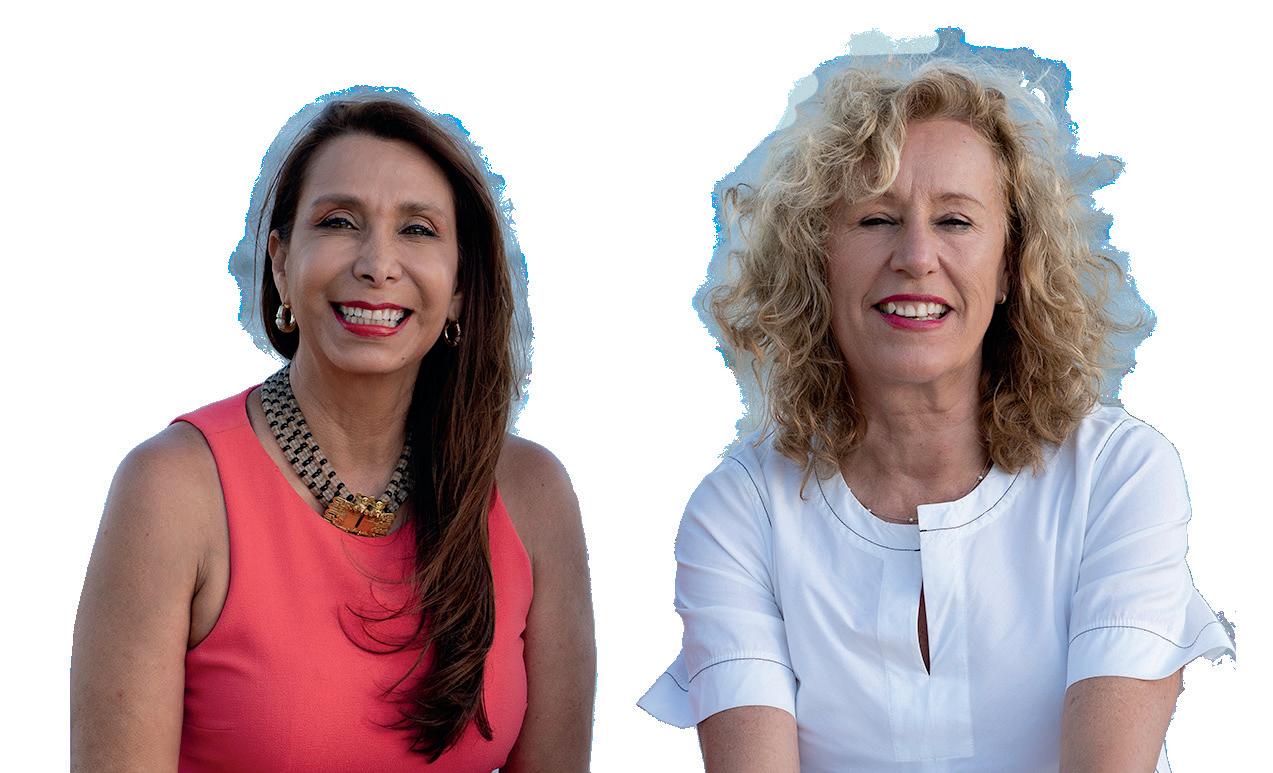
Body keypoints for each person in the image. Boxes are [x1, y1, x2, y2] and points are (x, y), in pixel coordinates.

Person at [638, 39, 1234, 773]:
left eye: (954, 221)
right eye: (874, 220)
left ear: (1010, 265)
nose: (916, 256)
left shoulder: (1118, 474)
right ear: (817, 261)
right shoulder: (741, 511)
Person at [71, 90, 595, 771]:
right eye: (340, 222)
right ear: (280, 263)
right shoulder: (173, 489)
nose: (378, 263)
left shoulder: (531, 494)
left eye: (418, 230)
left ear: (461, 285)